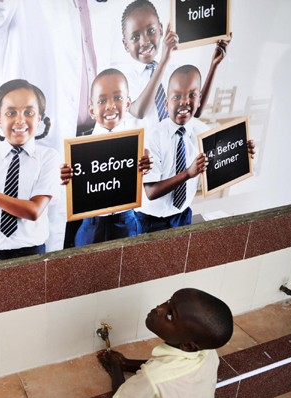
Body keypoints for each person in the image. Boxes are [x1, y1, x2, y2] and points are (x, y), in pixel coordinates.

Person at [0, 0, 128, 251]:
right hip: (49, 142)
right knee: (51, 248)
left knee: (91, 245)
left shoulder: (103, 8)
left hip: (96, 143)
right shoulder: (26, 6)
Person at [134, 65, 255, 234]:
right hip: (150, 221)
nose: (184, 101)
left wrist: (242, 153)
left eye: (191, 95)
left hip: (182, 215)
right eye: (177, 96)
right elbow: (151, 192)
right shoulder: (153, 137)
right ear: (167, 103)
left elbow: (219, 163)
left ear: (199, 100)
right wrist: (187, 174)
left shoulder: (203, 132)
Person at [0, 79, 59, 263]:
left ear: (39, 119)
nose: (20, 119)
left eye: (29, 112)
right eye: (11, 112)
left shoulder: (49, 158)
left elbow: (34, 211)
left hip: (32, 255)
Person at [98, 288, 234, 398]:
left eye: (170, 315)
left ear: (187, 346)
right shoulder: (208, 354)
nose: (159, 308)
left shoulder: (154, 378)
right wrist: (126, 364)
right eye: (169, 300)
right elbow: (172, 368)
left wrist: (115, 366)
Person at [60, 69, 152, 246]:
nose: (110, 105)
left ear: (127, 104)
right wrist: (65, 178)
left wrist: (148, 165)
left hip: (126, 221)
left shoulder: (138, 144)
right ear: (92, 110)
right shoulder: (78, 148)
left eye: (117, 98)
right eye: (102, 101)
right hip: (91, 225)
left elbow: (144, 183)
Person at [120, 0, 231, 127]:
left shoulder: (177, 72)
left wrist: (214, 65)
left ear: (161, 29)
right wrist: (163, 61)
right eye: (135, 37)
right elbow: (139, 112)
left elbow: (196, 111)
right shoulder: (125, 80)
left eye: (150, 31)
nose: (144, 41)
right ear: (125, 44)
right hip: (147, 146)